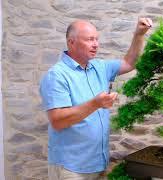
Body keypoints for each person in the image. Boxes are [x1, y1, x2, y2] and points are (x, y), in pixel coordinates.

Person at [39, 17, 152, 180]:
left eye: (97, 39)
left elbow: (129, 62)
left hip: (98, 164)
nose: (96, 44)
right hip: (71, 169)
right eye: (90, 39)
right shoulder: (57, 76)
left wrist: (139, 35)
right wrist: (95, 104)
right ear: (71, 42)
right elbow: (58, 121)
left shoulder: (100, 67)